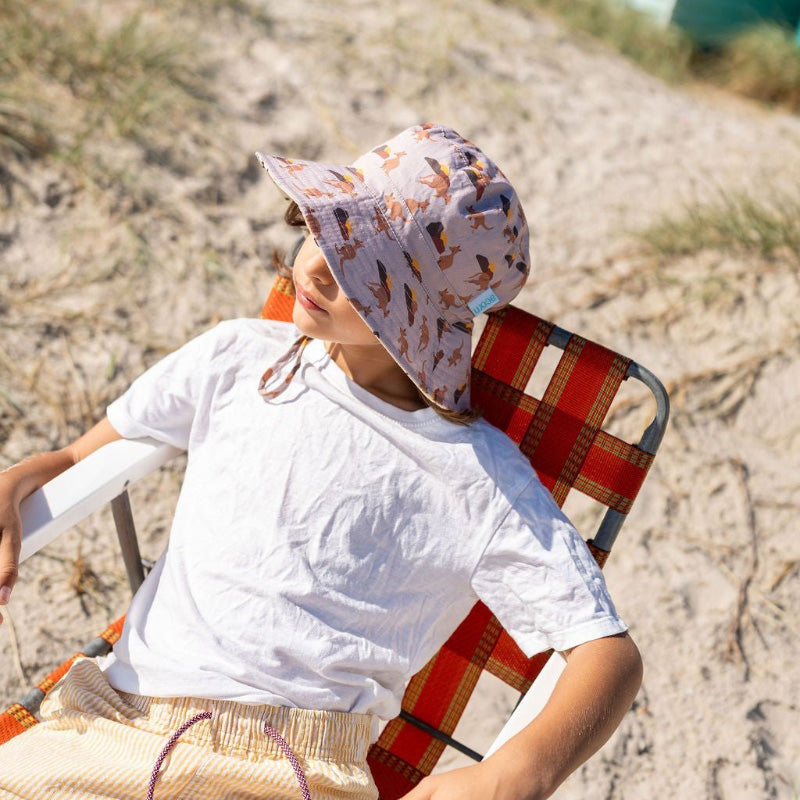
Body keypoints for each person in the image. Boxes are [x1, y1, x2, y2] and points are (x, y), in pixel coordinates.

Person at [0, 122, 642, 800]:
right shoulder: (237, 357)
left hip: (287, 767)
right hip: (107, 719)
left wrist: (515, 773)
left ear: (425, 315)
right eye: (327, 233)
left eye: (360, 267)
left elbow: (609, 656)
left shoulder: (477, 477)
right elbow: (78, 456)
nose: (313, 267)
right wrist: (16, 483)